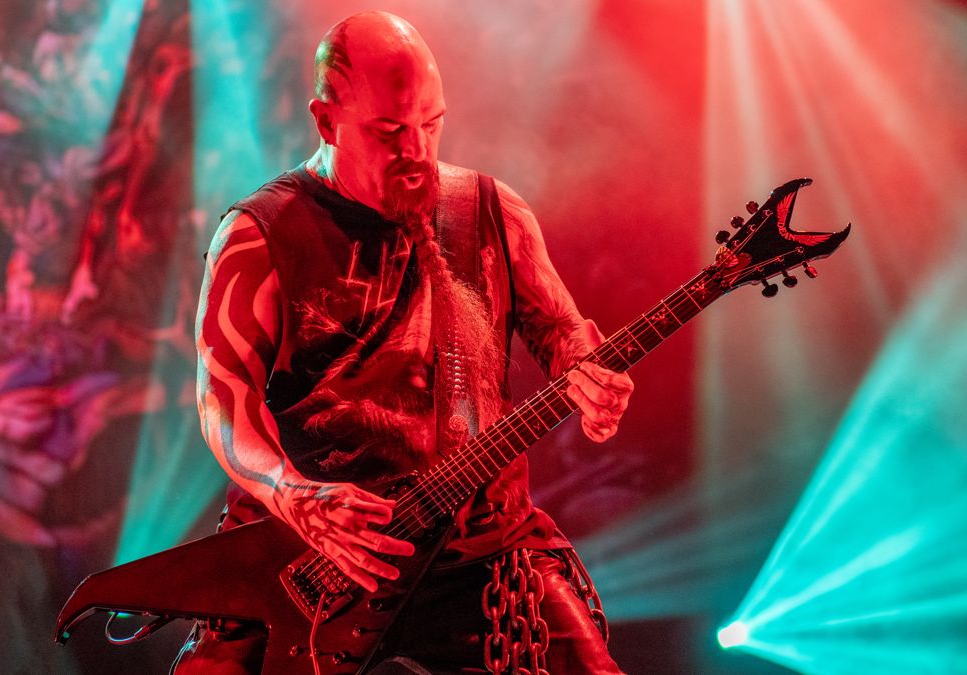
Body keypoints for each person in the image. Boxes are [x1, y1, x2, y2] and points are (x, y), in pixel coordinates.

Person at [175, 11, 633, 674]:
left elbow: (563, 331)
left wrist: (584, 372)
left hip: (481, 550)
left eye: (431, 122)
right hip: (307, 558)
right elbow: (222, 403)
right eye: (389, 131)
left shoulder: (491, 211)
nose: (416, 149)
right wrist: (293, 495)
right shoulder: (258, 236)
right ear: (326, 120)